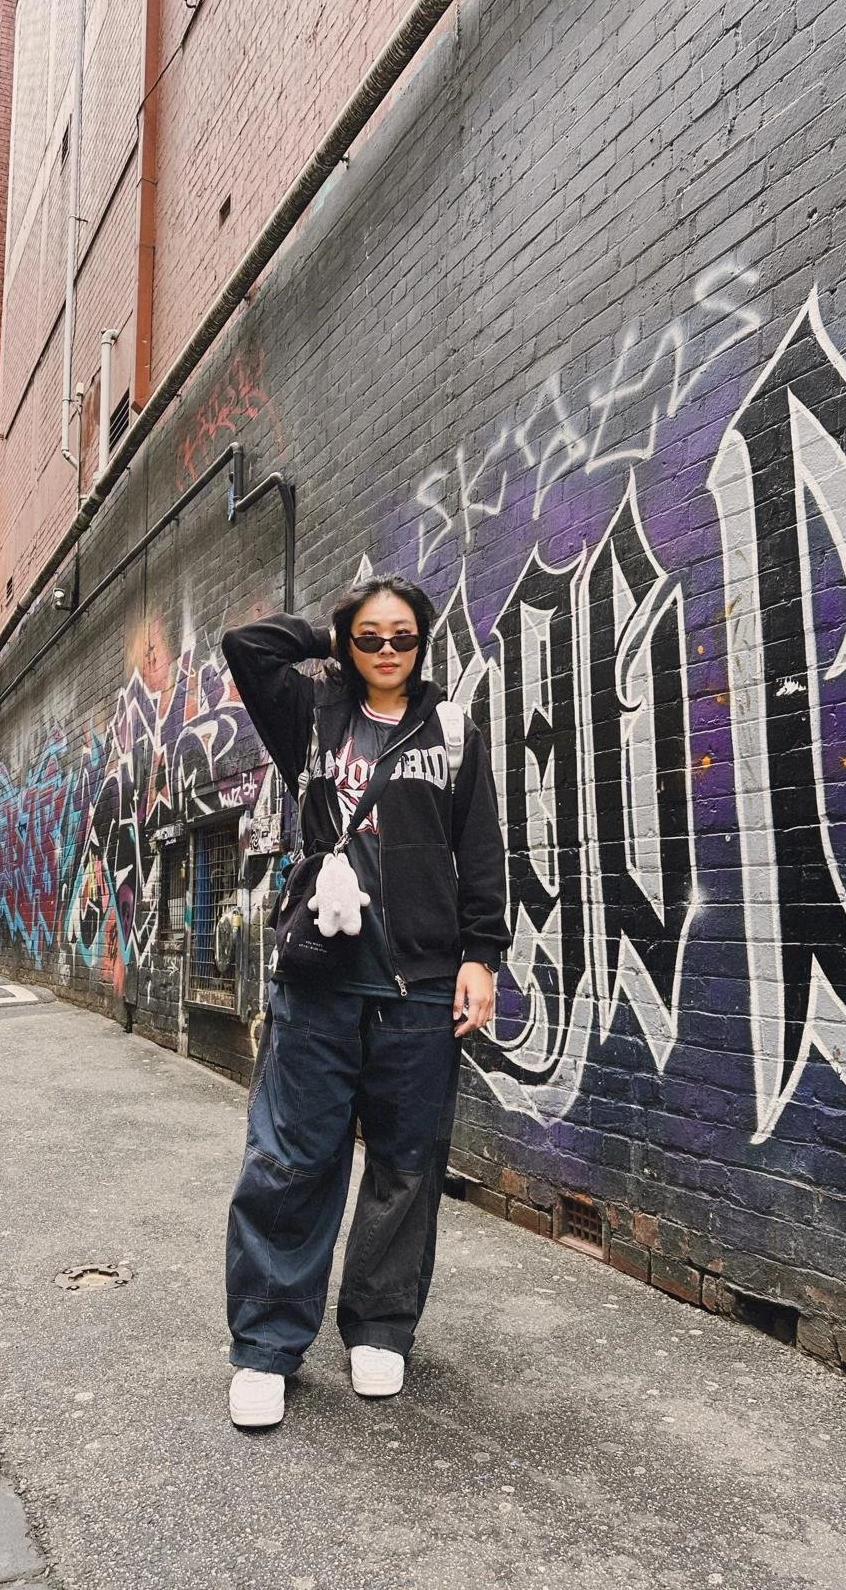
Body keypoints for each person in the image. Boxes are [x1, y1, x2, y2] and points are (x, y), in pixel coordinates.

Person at [221, 575, 509, 1429]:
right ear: (350, 642)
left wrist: (482, 957)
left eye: (403, 637)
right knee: (290, 1161)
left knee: (405, 1164)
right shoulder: (311, 715)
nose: (387, 651)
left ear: (424, 644)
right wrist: (330, 635)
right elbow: (247, 648)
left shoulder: (451, 730)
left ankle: (380, 1326)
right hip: (320, 978)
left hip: (419, 986)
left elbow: (479, 849)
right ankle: (267, 1345)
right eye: (370, 637)